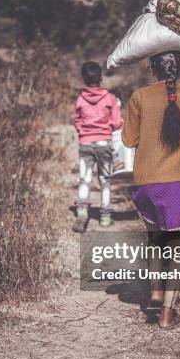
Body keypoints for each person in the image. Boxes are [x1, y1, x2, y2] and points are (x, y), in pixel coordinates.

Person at [122, 48, 180, 329]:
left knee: (154, 239)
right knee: (177, 245)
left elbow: (128, 140)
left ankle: (155, 290)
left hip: (146, 183)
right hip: (179, 182)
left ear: (152, 68)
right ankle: (166, 313)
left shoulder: (139, 97)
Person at [73, 61, 123, 233]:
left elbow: (77, 121)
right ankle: (105, 216)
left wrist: (82, 131)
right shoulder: (110, 98)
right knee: (105, 180)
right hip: (104, 143)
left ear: (83, 78)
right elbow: (116, 123)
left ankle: (81, 211)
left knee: (85, 179)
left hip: (85, 143)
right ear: (100, 78)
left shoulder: (80, 99)